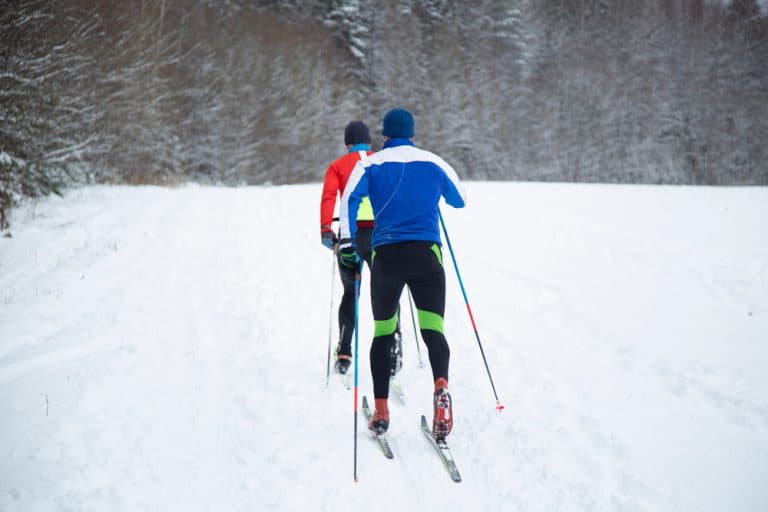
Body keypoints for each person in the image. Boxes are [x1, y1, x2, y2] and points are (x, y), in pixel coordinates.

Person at [338, 108, 466, 439]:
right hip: (427, 257)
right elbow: (459, 200)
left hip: (387, 258)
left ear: (384, 135)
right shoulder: (433, 162)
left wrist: (349, 240)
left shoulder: (371, 164)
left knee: (383, 331)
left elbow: (350, 198)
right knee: (433, 329)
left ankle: (381, 411)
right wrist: (431, 195)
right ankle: (441, 387)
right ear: (412, 133)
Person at [319, 120, 402, 376]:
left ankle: (344, 352)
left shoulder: (337, 166)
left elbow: (329, 196)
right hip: (381, 235)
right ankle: (393, 350)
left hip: (350, 236)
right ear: (368, 141)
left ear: (347, 143)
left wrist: (326, 229)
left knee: (350, 292)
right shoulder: (382, 160)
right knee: (387, 292)